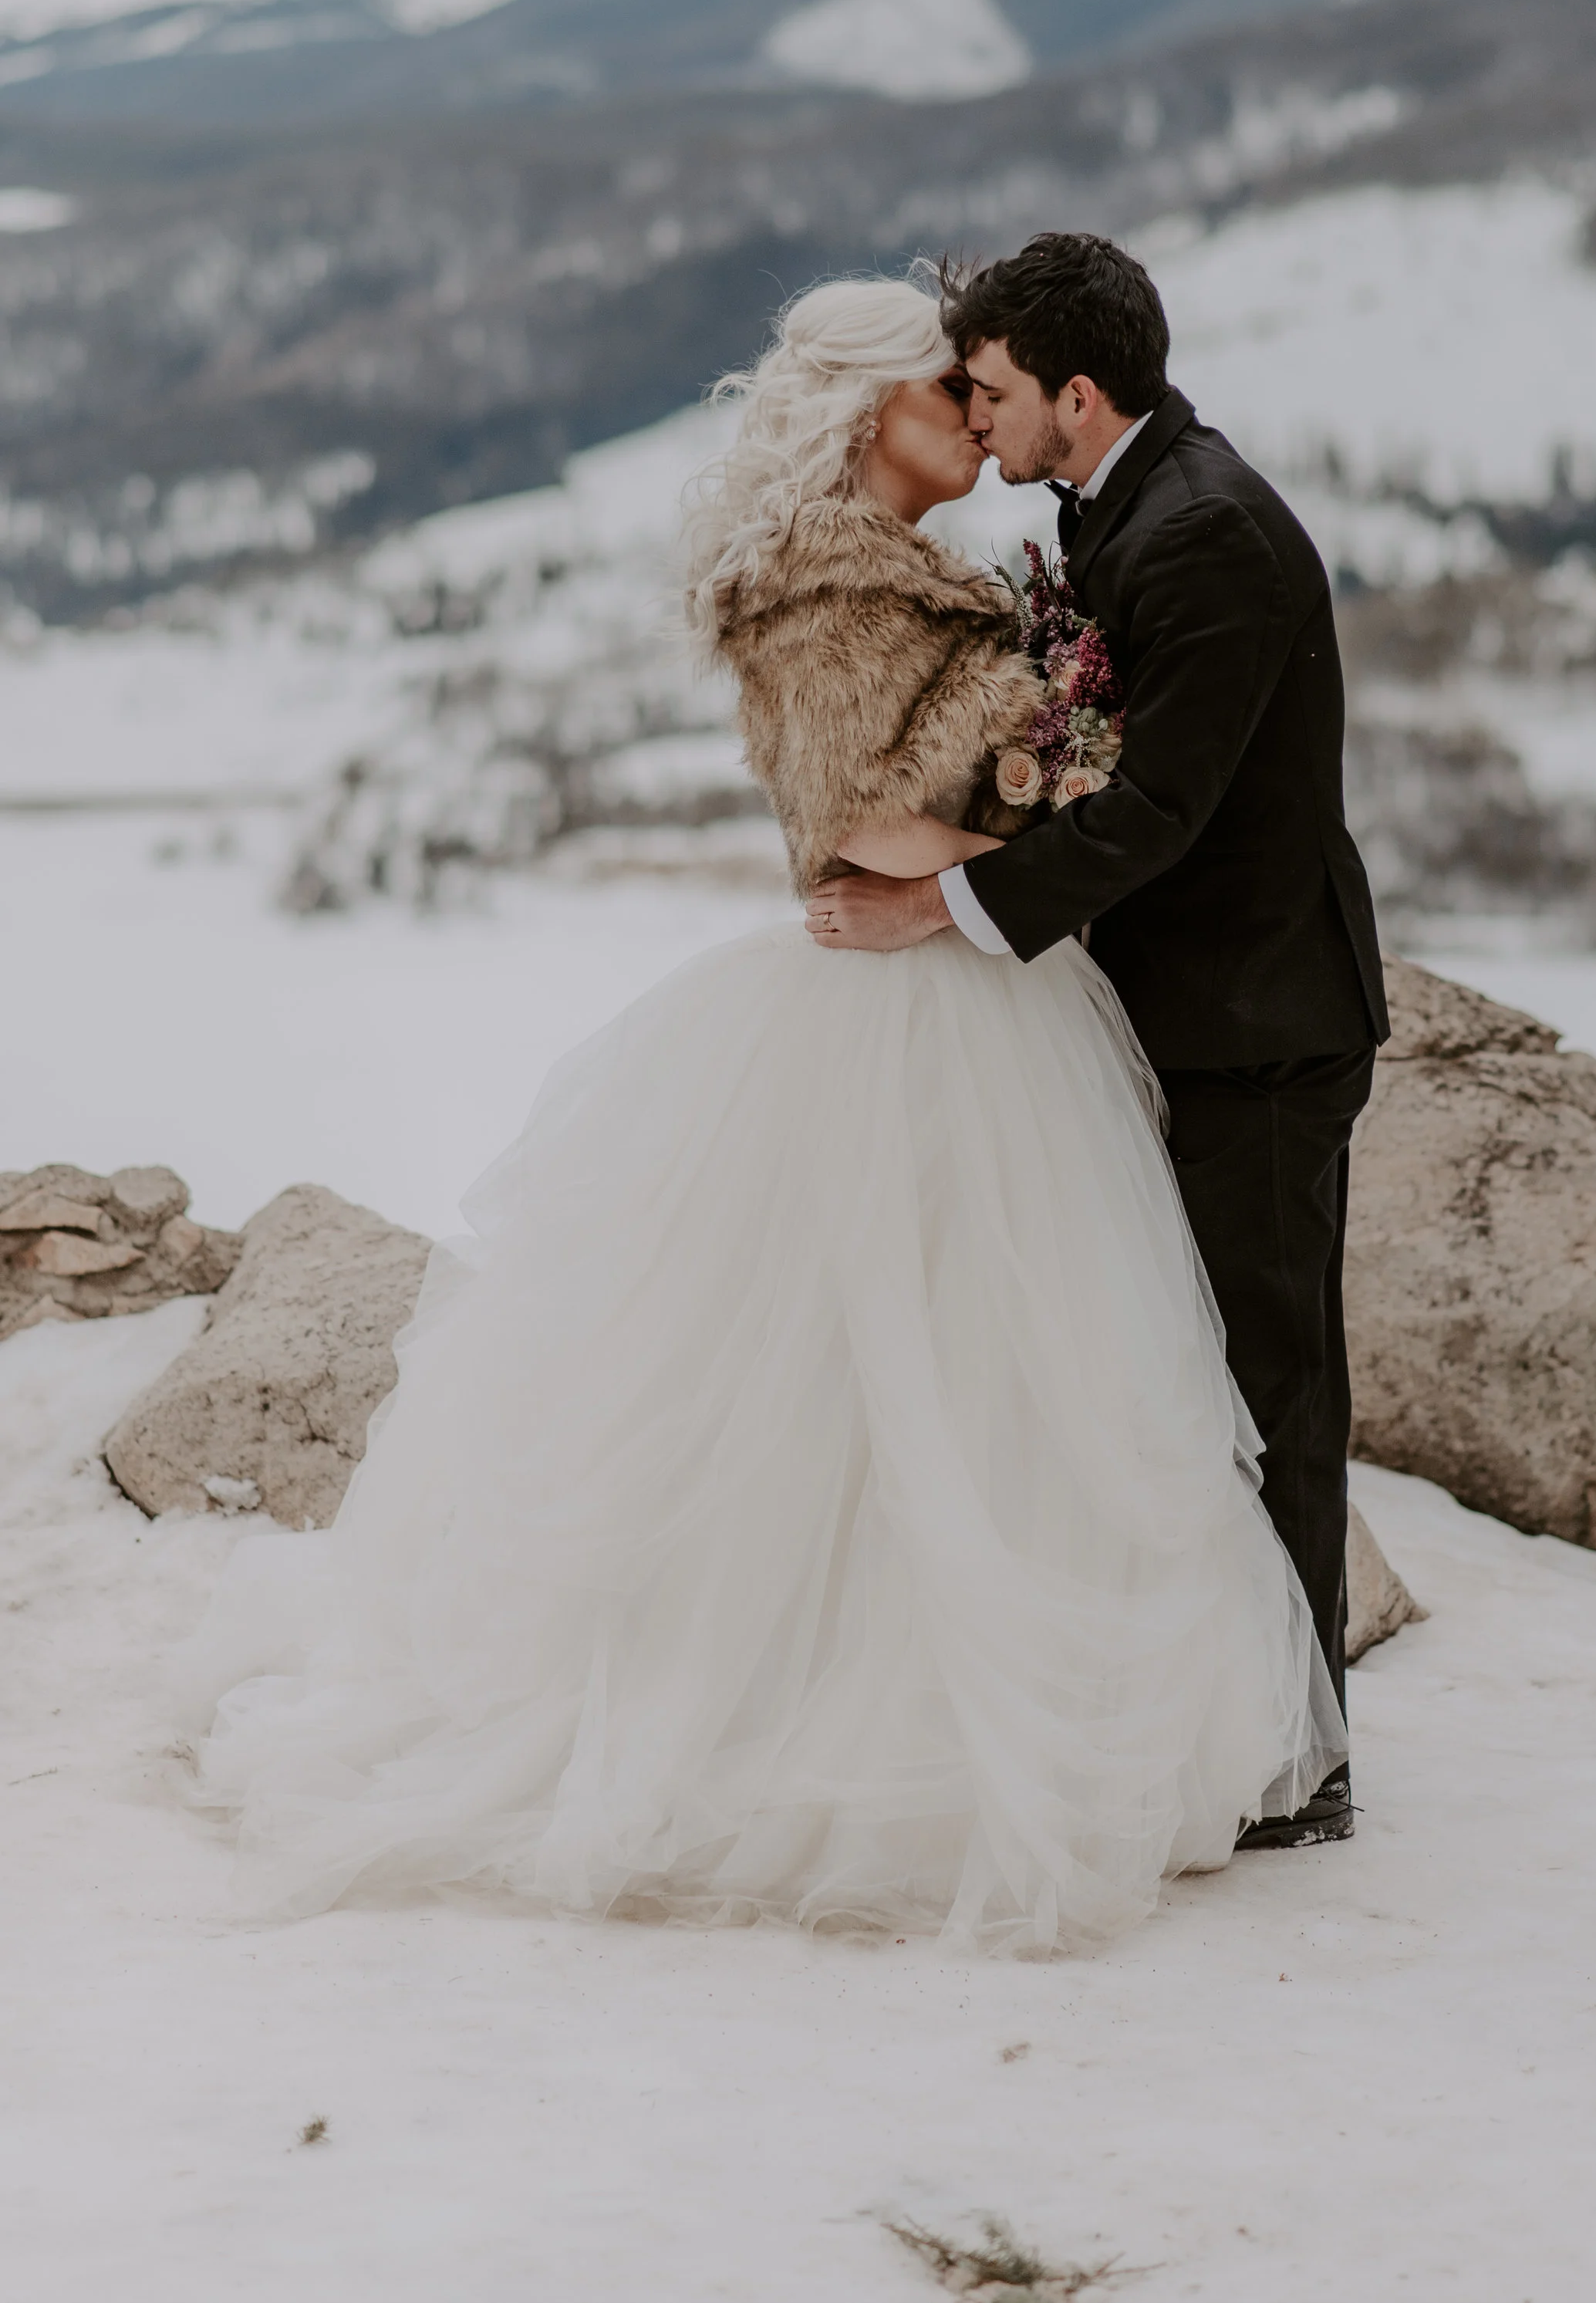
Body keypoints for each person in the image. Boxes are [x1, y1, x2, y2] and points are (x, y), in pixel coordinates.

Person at [181, 278, 1345, 1952]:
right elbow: (848, 827)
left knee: (1016, 1373)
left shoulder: (1007, 557)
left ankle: (1199, 1727)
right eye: (949, 388)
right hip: (909, 1014)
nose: (976, 414)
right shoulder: (820, 590)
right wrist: (1003, 856)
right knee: (882, 1369)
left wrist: (1008, 848)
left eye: (988, 385)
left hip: (993, 1001)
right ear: (873, 413)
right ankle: (862, 1716)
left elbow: (1045, 794)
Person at [809, 235, 1387, 1846]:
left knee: (1267, 1386)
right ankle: (1230, 1714)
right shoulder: (1125, 499)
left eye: (988, 390)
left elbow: (1155, 807)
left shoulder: (1201, 536)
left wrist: (949, 910)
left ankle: (1298, 1757)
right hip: (1190, 1011)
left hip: (1256, 1026)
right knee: (1178, 1372)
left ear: (1075, 392)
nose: (972, 417)